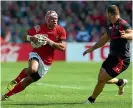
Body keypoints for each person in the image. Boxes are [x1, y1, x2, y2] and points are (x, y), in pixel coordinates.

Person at [1, 10, 66, 100]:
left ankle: (6, 96)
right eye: (52, 19)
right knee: (33, 69)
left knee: (27, 81)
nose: (55, 20)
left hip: (47, 61)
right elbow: (23, 36)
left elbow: (63, 47)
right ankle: (15, 81)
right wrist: (31, 38)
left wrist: (49, 42)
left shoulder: (61, 30)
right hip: (36, 53)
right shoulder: (38, 28)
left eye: (56, 19)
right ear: (47, 19)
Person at [83, 5, 132, 103]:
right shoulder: (111, 26)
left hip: (121, 59)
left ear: (110, 14)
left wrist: (126, 35)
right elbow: (103, 39)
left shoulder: (123, 23)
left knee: (102, 79)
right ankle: (120, 82)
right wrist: (91, 49)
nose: (106, 16)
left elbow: (132, 33)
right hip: (111, 57)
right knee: (102, 78)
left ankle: (91, 100)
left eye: (107, 14)